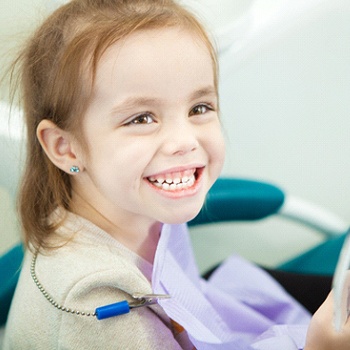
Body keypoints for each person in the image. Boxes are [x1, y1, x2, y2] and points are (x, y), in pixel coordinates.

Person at [2, 0, 350, 349]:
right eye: (141, 118)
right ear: (65, 148)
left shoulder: (135, 203)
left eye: (199, 108)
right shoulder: (99, 314)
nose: (184, 141)